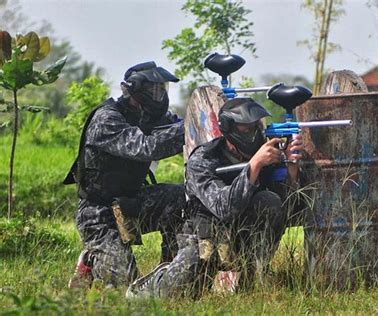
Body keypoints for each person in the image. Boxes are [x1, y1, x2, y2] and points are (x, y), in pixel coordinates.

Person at [126, 97, 303, 298]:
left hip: (239, 239)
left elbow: (288, 207)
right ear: (229, 129)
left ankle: (251, 282)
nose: (254, 134)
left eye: (257, 127)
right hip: (202, 241)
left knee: (269, 202)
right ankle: (151, 285)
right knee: (181, 293)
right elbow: (224, 208)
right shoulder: (203, 159)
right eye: (247, 128)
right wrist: (254, 166)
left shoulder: (265, 155)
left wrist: (291, 169)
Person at [64, 61, 186, 288]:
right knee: (123, 284)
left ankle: (170, 267)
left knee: (182, 198)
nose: (160, 95)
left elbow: (179, 128)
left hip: (132, 201)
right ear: (135, 89)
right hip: (98, 213)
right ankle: (91, 260)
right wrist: (188, 127)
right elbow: (144, 147)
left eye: (162, 90)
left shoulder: (152, 117)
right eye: (154, 90)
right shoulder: (107, 118)